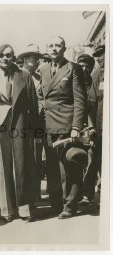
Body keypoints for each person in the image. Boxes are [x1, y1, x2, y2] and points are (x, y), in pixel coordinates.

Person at [0, 44, 39, 223]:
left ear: (13, 56)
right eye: (1, 55)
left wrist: (33, 128)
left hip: (20, 123)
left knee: (21, 163)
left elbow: (33, 104)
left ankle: (24, 208)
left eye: (8, 55)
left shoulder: (24, 75)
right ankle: (6, 209)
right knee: (1, 165)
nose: (4, 58)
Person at [39, 35, 87, 219]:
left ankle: (70, 204)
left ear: (64, 48)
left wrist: (76, 126)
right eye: (50, 45)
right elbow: (40, 95)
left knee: (69, 166)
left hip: (66, 124)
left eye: (57, 45)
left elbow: (80, 100)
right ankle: (56, 203)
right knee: (51, 168)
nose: (53, 49)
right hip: (47, 125)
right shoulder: (43, 69)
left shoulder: (73, 68)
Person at [17, 44, 44, 202]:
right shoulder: (19, 75)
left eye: (37, 58)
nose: (37, 61)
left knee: (37, 159)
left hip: (39, 122)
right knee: (26, 159)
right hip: (25, 123)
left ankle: (36, 193)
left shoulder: (39, 77)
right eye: (34, 58)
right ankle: (27, 195)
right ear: (25, 59)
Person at [77, 54, 98, 205]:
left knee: (91, 160)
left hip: (92, 128)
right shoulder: (74, 82)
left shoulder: (95, 83)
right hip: (76, 127)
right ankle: (75, 194)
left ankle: (87, 194)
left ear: (91, 67)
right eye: (81, 65)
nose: (84, 69)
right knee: (76, 160)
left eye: (87, 66)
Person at [88, 45, 105, 194]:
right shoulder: (97, 75)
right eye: (97, 56)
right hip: (102, 128)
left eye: (102, 54)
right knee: (103, 161)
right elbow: (92, 104)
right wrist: (91, 126)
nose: (99, 58)